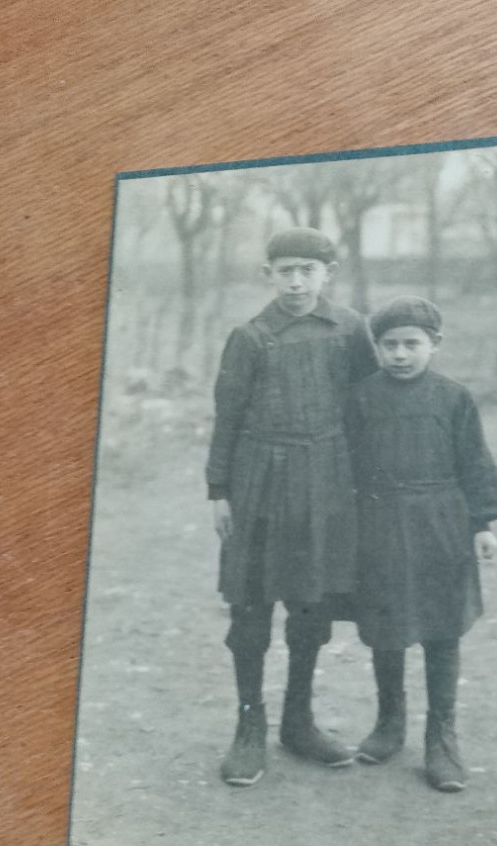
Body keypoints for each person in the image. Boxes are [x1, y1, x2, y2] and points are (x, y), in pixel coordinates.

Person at [206, 227, 378, 786]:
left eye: (308, 269)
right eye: (286, 270)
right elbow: (226, 419)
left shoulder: (351, 330)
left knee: (311, 605)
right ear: (268, 275)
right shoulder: (251, 337)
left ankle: (297, 722)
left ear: (329, 272)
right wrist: (219, 491)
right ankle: (249, 727)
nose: (297, 281)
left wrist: (368, 485)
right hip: (259, 478)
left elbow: (367, 409)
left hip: (326, 479)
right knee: (251, 608)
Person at [346, 296, 497, 793]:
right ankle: (390, 722)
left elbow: (475, 462)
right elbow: (345, 466)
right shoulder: (360, 398)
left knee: (442, 628)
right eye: (389, 345)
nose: (400, 354)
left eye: (411, 344)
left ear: (434, 345)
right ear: (376, 347)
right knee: (386, 626)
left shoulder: (453, 398)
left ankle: (441, 737)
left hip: (441, 522)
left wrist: (482, 522)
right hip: (379, 523)